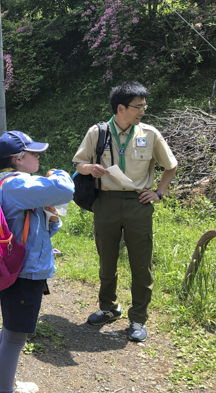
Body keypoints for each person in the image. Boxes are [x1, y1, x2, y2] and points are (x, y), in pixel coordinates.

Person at [73, 81, 178, 342]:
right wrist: (90, 169)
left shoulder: (150, 133)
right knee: (106, 260)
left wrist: (159, 192)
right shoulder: (97, 132)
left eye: (143, 105)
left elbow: (171, 166)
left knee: (141, 264)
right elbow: (79, 162)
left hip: (138, 204)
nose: (143, 110)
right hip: (105, 203)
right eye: (138, 106)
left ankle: (138, 319)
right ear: (121, 108)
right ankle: (108, 308)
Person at [0, 131, 74, 393]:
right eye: (35, 153)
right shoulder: (17, 185)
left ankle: (3, 382)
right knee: (16, 338)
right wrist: (58, 173)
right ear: (19, 159)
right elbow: (65, 189)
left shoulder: (6, 183)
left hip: (17, 269)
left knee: (10, 331)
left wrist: (52, 219)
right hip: (24, 273)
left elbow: (39, 230)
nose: (39, 157)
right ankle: (4, 390)